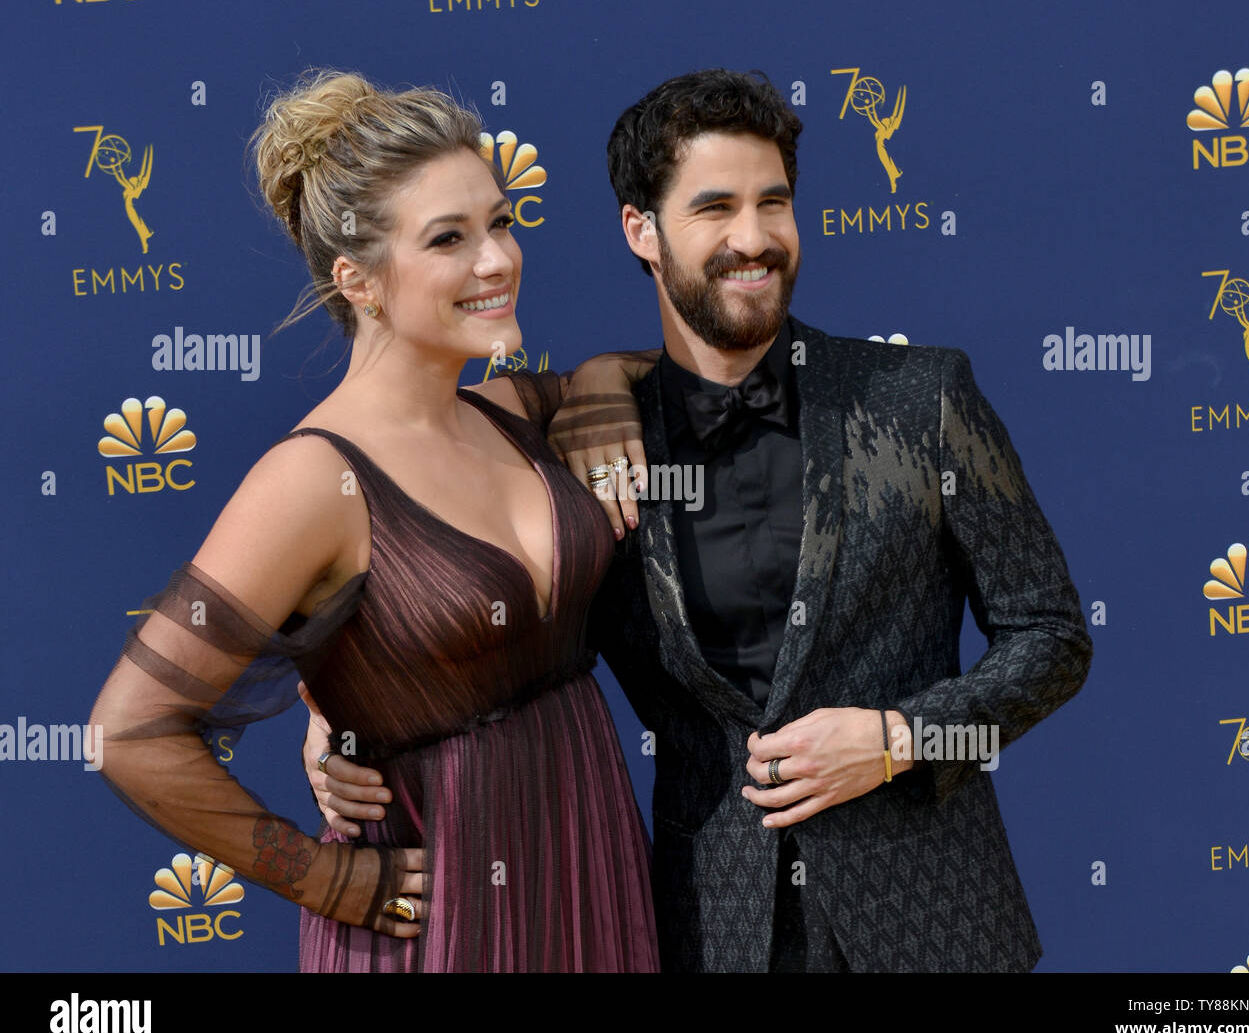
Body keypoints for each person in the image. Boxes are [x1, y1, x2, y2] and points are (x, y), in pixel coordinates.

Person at [311, 68, 1093, 973]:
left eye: (775, 203)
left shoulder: (925, 401)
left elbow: (1052, 638)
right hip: (709, 932)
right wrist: (344, 709)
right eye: (714, 208)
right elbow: (454, 607)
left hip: (935, 927)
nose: (753, 239)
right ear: (640, 230)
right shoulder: (580, 458)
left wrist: (901, 739)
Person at [89, 69, 659, 972]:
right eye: (449, 238)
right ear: (359, 280)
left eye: (501, 222)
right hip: (445, 912)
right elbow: (127, 732)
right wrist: (327, 881)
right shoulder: (312, 481)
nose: (497, 259)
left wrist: (597, 391)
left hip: (591, 867)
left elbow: (652, 368)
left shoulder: (513, 409)